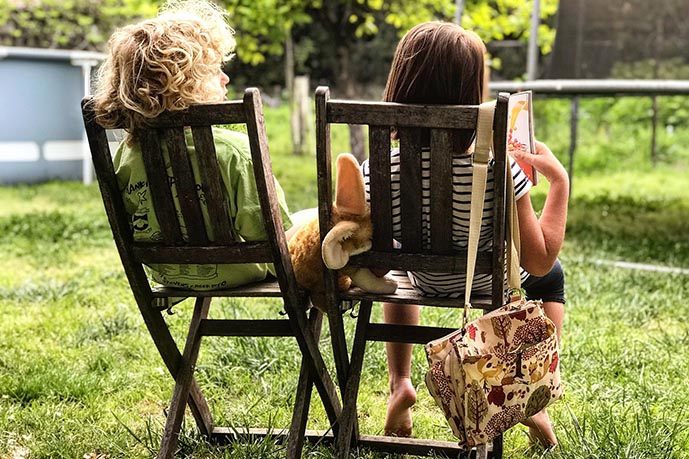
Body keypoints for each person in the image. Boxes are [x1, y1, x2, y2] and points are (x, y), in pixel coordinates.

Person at [360, 21, 569, 448]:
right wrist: (560, 184)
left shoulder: (378, 170)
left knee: (397, 273)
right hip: (486, 283)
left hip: (422, 280)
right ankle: (534, 397)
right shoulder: (500, 170)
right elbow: (538, 260)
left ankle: (401, 382)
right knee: (554, 277)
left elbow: (378, 261)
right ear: (474, 94)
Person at [89, 0, 293, 290]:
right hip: (236, 269)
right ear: (185, 84)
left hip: (167, 272)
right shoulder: (235, 151)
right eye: (214, 70)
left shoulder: (128, 154)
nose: (226, 78)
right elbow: (269, 233)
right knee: (308, 224)